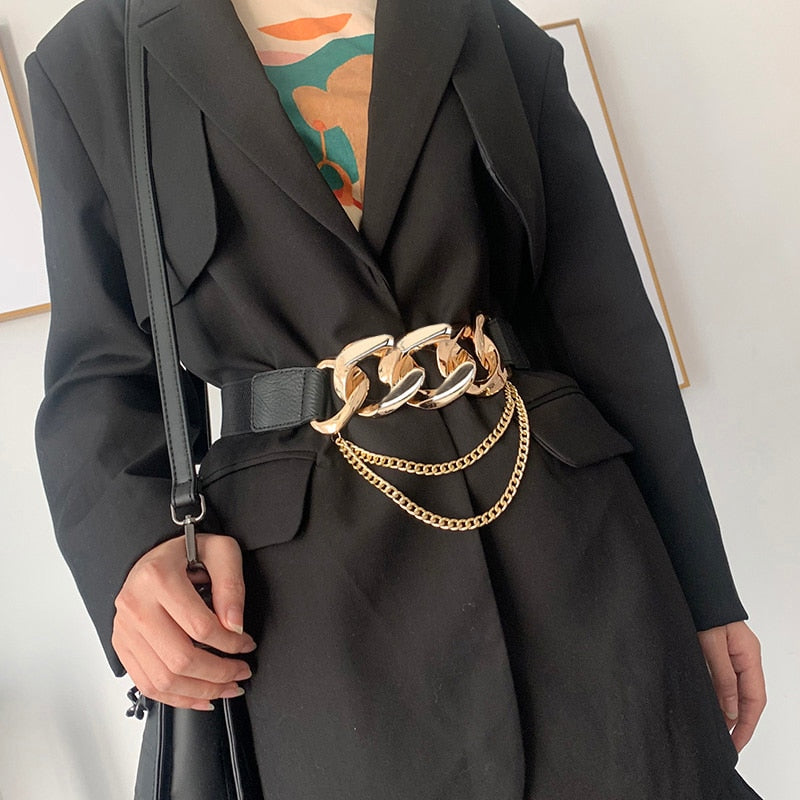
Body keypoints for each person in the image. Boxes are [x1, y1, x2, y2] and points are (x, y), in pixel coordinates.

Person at [28, 0, 766, 796]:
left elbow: (605, 322)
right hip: (307, 616)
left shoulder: (485, 20)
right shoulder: (91, 60)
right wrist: (129, 553)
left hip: (579, 558)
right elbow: (99, 366)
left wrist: (702, 588)